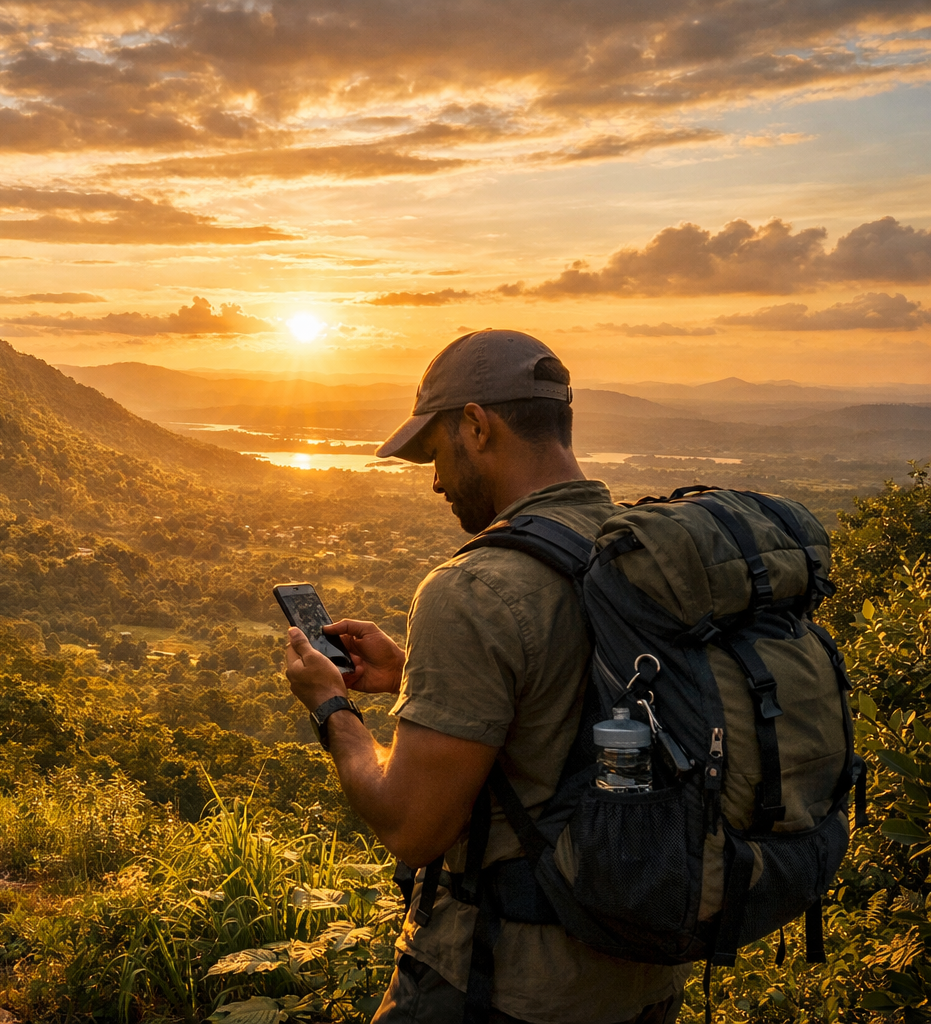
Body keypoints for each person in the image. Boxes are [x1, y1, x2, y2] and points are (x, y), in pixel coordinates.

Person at [282, 330, 685, 1024]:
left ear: (476, 425)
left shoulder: (474, 587)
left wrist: (332, 708)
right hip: (641, 976)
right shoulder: (642, 549)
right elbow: (581, 710)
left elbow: (413, 827)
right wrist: (417, 676)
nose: (436, 480)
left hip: (504, 982)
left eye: (437, 454)